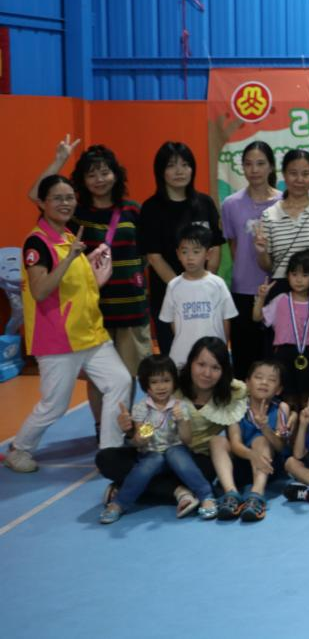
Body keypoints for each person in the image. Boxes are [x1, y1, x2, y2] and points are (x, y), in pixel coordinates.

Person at [5, 175, 132, 474]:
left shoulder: (68, 236)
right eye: (58, 198)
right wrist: (71, 258)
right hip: (58, 339)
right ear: (43, 203)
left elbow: (73, 289)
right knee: (55, 405)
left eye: (70, 197)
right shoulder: (37, 241)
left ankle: (110, 450)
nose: (66, 203)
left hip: (91, 333)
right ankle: (19, 449)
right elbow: (40, 291)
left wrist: (94, 274)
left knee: (120, 381)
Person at [28, 139, 149, 432]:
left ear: (116, 174)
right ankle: (100, 428)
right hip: (92, 311)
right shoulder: (74, 213)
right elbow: (36, 195)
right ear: (82, 180)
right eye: (91, 174)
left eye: (105, 172)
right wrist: (59, 159)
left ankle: (122, 429)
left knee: (128, 375)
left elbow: (144, 253)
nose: (99, 179)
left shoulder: (132, 210)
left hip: (131, 308)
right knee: (99, 377)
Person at [95, 337, 246, 511]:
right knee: (106, 459)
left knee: (206, 470)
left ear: (224, 370)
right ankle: (179, 491)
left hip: (192, 458)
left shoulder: (232, 392)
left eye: (215, 368)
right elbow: (145, 429)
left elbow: (256, 390)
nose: (207, 373)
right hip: (152, 453)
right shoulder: (170, 383)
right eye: (201, 364)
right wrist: (129, 430)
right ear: (191, 362)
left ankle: (129, 489)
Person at [99, 355, 217, 523]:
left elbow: (187, 440)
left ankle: (207, 496)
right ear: (146, 385)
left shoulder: (180, 406)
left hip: (176, 452)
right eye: (154, 382)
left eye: (166, 380)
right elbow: (140, 442)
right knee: (150, 463)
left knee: (176, 454)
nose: (161, 387)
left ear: (174, 382)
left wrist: (182, 421)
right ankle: (119, 503)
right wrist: (139, 433)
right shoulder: (142, 408)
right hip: (151, 454)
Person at [139, 141, 225, 356]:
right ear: (161, 171)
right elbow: (154, 256)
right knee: (175, 358)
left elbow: (215, 246)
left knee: (207, 357)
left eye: (185, 164)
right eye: (171, 165)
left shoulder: (204, 203)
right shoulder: (151, 208)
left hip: (206, 296)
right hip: (169, 296)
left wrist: (203, 283)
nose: (180, 171)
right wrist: (183, 288)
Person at [255, 149, 309, 315]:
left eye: (305, 174)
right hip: (282, 291)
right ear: (284, 175)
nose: (299, 179)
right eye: (293, 173)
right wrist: (261, 251)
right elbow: (268, 266)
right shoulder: (269, 215)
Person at [220, 141, 281, 377]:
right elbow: (234, 247)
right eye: (248, 164)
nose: (254, 170)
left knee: (274, 356)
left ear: (271, 167)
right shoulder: (231, 204)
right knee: (244, 357)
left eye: (260, 163)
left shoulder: (283, 202)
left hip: (276, 289)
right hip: (243, 291)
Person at [214, 358, 292, 523]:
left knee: (260, 440)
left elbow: (280, 447)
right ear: (247, 383)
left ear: (278, 389)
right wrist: (252, 455)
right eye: (258, 377)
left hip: (268, 466)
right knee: (216, 440)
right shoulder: (235, 407)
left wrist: (265, 427)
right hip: (242, 462)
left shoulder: (281, 408)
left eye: (271, 380)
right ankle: (231, 494)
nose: (264, 382)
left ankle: (256, 495)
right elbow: (235, 444)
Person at [254, 249, 309, 407]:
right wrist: (262, 298)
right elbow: (257, 317)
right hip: (283, 354)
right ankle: (287, 423)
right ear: (287, 276)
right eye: (294, 274)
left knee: (308, 399)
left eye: (305, 275)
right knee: (288, 398)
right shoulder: (281, 300)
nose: (299, 280)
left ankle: (307, 424)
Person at [160, 224, 237, 369]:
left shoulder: (217, 284)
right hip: (182, 355)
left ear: (208, 254)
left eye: (196, 251)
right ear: (178, 254)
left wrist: (223, 348)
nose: (190, 257)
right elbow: (171, 320)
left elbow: (226, 319)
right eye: (184, 252)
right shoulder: (173, 286)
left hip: (214, 355)